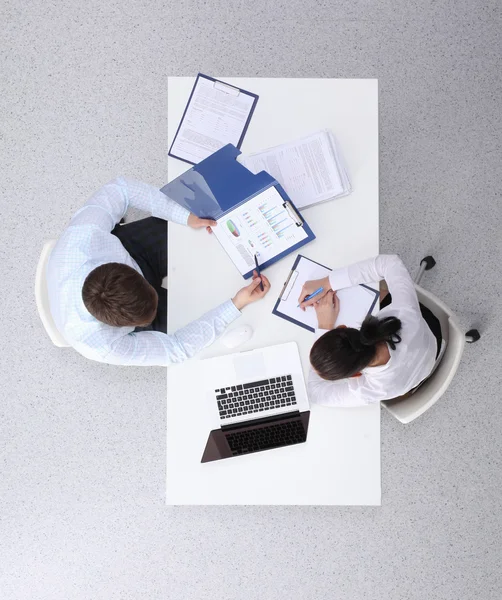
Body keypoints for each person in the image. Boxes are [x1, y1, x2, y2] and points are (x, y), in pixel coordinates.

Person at [47, 177, 270, 366]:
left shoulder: (84, 238)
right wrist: (235, 304)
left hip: (131, 251)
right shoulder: (103, 346)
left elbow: (121, 188)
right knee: (198, 316)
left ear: (127, 270)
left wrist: (184, 216)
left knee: (198, 225)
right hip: (118, 296)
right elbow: (177, 349)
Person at [297, 254, 441, 407]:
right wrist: (327, 283)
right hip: (429, 337)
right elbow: (391, 262)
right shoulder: (405, 314)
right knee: (376, 293)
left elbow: (315, 393)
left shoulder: (369, 391)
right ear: (342, 327)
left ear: (356, 374)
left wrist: (324, 327)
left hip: (419, 370)